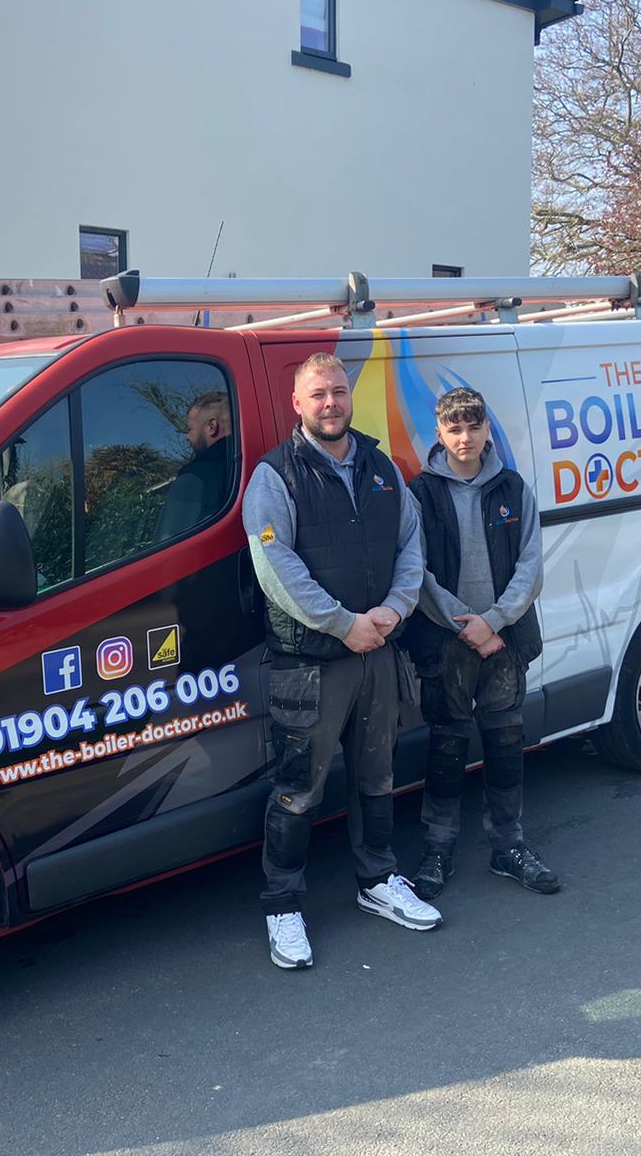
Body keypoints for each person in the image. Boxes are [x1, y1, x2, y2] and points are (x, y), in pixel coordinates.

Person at [242, 351, 441, 970]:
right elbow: (276, 568)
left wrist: (396, 609)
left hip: (378, 651)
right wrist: (344, 624)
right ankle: (282, 906)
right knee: (299, 788)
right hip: (310, 663)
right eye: (318, 395)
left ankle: (378, 880)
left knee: (376, 775)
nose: (331, 403)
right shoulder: (275, 476)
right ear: (297, 405)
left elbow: (413, 544)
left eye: (338, 392)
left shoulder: (380, 468)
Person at [403, 386, 558, 900]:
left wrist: (493, 622)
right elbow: (414, 570)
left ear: (487, 429)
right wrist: (462, 623)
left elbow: (531, 568)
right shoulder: (419, 493)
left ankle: (508, 846)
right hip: (445, 641)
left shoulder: (514, 489)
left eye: (473, 426)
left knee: (505, 741)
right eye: (454, 428)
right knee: (447, 745)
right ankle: (438, 849)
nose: (465, 437)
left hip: (503, 641)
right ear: (439, 433)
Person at [156, 390, 234, 539]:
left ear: (212, 427)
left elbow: (169, 540)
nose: (187, 437)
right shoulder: (258, 465)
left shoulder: (194, 477)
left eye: (190, 429)